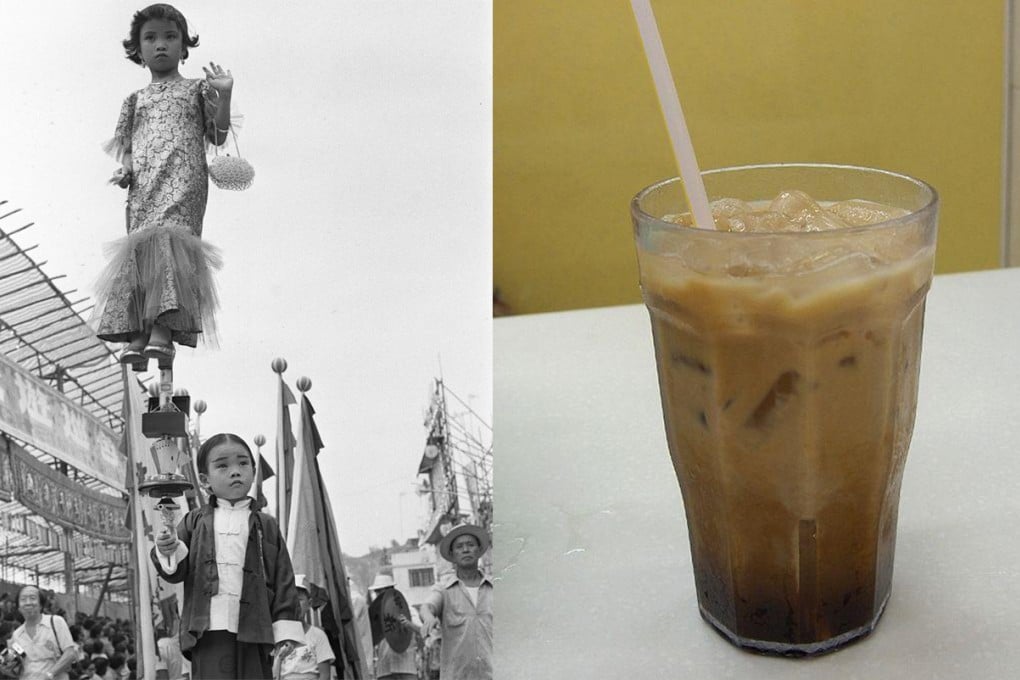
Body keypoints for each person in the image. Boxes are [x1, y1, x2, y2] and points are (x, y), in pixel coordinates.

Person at [93, 2, 232, 368]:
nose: (161, 45)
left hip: (184, 178)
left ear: (184, 46)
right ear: (137, 49)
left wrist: (225, 94)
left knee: (171, 242)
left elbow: (217, 136)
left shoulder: (196, 90)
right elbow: (127, 147)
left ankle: (163, 332)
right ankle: (139, 334)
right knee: (142, 250)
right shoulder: (133, 101)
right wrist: (126, 171)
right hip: (145, 184)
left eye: (170, 37)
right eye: (151, 38)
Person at [151, 433, 304, 679]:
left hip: (256, 628)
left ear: (254, 471)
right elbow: (175, 570)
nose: (235, 471)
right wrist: (167, 549)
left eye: (243, 463)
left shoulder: (267, 525)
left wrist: (285, 629)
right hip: (208, 628)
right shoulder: (194, 521)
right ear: (204, 479)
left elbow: (284, 579)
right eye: (223, 465)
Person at [420, 524, 493, 680]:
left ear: (479, 550)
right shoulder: (444, 589)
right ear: (452, 555)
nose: (466, 549)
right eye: (459, 546)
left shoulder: (494, 587)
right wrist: (429, 618)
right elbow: (428, 606)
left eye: (470, 545)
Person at [5, 585, 79, 680]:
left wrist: (50, 674)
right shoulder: (16, 635)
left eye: (32, 598)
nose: (28, 603)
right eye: (23, 599)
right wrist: (7, 669)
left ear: (41, 605)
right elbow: (17, 670)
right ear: (19, 608)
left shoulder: (56, 622)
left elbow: (70, 654)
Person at [274, 576, 334, 680]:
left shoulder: (318, 635)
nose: (295, 604)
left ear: (309, 603)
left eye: (300, 599)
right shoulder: (279, 636)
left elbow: (325, 675)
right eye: (290, 599)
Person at [367, 575, 421, 680]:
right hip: (384, 668)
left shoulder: (408, 610)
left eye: (380, 591)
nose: (378, 595)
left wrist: (408, 624)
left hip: (406, 666)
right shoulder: (375, 615)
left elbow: (423, 631)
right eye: (376, 592)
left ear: (390, 590)